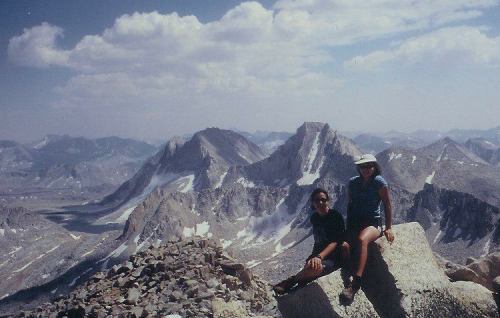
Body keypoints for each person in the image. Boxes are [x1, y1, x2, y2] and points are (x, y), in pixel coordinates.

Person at [273, 188, 349, 295]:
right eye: (317, 200)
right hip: (322, 255)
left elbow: (336, 241)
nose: (320, 202)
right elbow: (318, 241)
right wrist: (312, 256)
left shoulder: (335, 216)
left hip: (335, 257)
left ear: (328, 201)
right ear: (313, 203)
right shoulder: (314, 218)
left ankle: (291, 281)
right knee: (310, 266)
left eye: (323, 199)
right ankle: (299, 280)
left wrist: (319, 257)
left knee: (314, 268)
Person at [340, 153, 394, 302]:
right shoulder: (353, 182)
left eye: (369, 166)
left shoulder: (379, 182)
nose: (366, 169)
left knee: (362, 240)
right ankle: (348, 269)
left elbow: (387, 204)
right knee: (344, 245)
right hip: (355, 221)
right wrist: (348, 227)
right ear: (359, 168)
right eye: (363, 166)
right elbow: (350, 205)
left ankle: (355, 283)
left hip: (373, 223)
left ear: (374, 167)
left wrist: (388, 227)